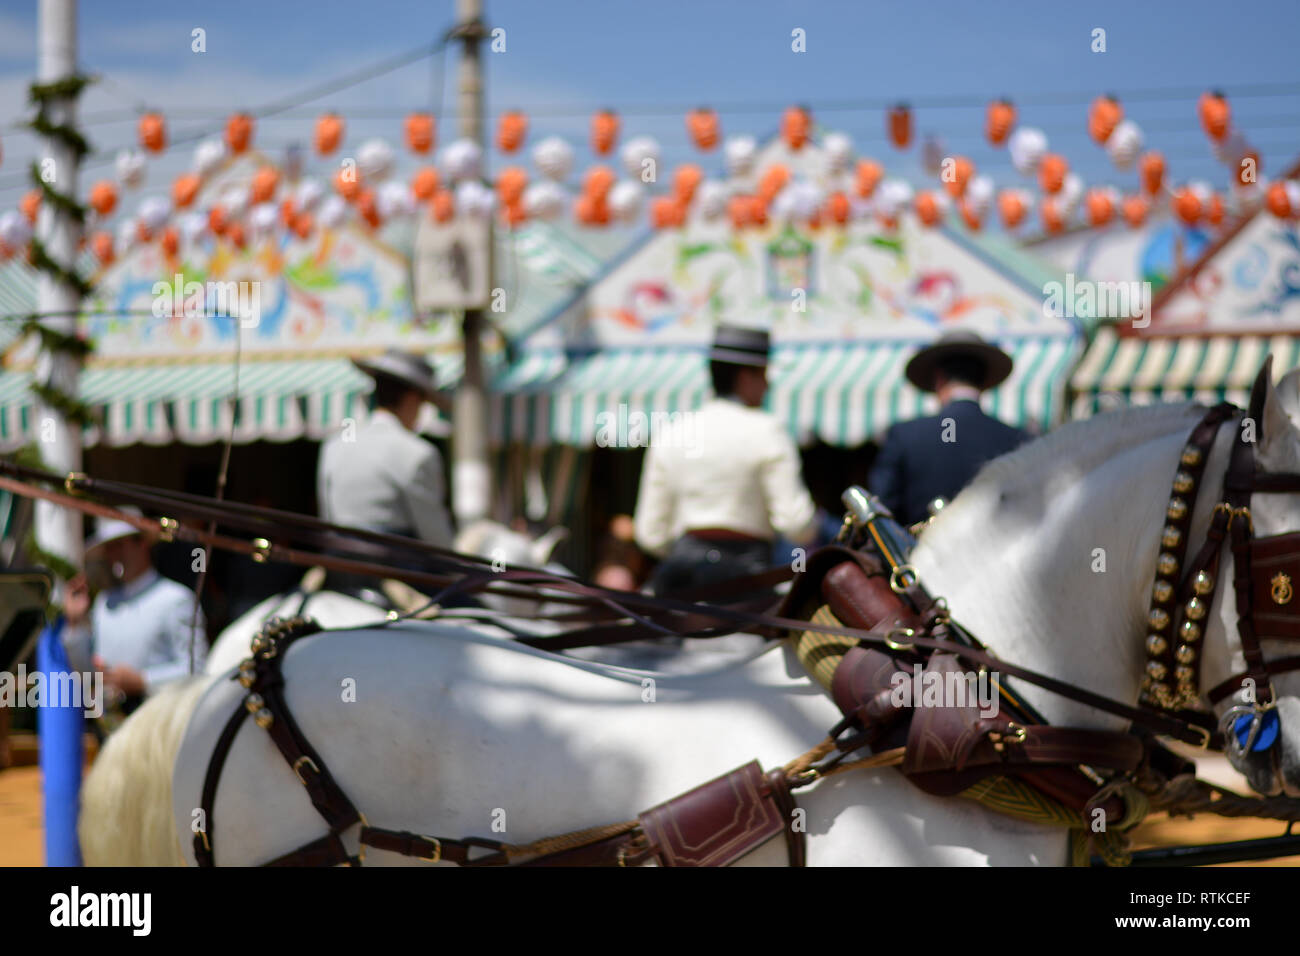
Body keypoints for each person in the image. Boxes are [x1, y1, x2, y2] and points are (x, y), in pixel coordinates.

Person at [634, 324, 817, 597]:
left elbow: (650, 535)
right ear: (745, 376)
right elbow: (796, 523)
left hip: (681, 578)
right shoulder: (767, 430)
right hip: (746, 578)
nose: (768, 385)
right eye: (764, 374)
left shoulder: (672, 431)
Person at [868, 329, 1031, 528]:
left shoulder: (904, 436)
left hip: (918, 556)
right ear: (984, 380)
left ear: (939, 378)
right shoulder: (1016, 439)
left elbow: (882, 514)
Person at [62, 508, 207, 716]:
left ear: (143, 544)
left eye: (120, 545)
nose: (115, 555)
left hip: (160, 726)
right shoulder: (104, 603)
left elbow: (197, 670)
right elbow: (87, 673)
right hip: (112, 727)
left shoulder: (177, 599)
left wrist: (142, 681)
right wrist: (74, 623)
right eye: (109, 548)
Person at [317, 349, 455, 548]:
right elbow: (435, 536)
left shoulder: (334, 446)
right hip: (395, 568)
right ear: (411, 398)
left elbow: (328, 521)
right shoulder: (418, 453)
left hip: (340, 567)